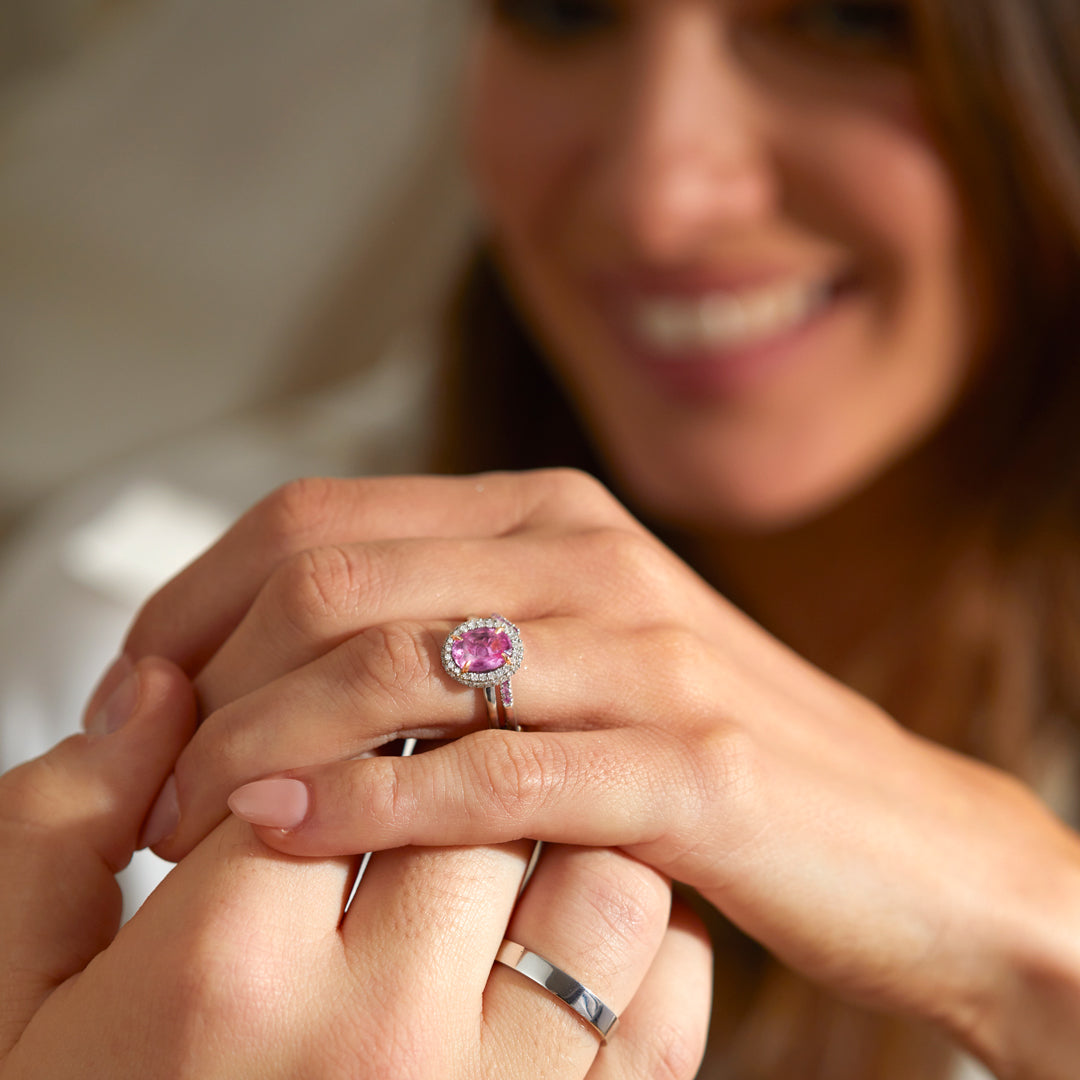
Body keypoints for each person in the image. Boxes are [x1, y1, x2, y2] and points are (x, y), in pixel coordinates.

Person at [1, 0, 1078, 1077]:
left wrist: (1028, 922)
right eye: (561, 13)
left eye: (847, 26)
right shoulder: (181, 616)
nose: (658, 201)